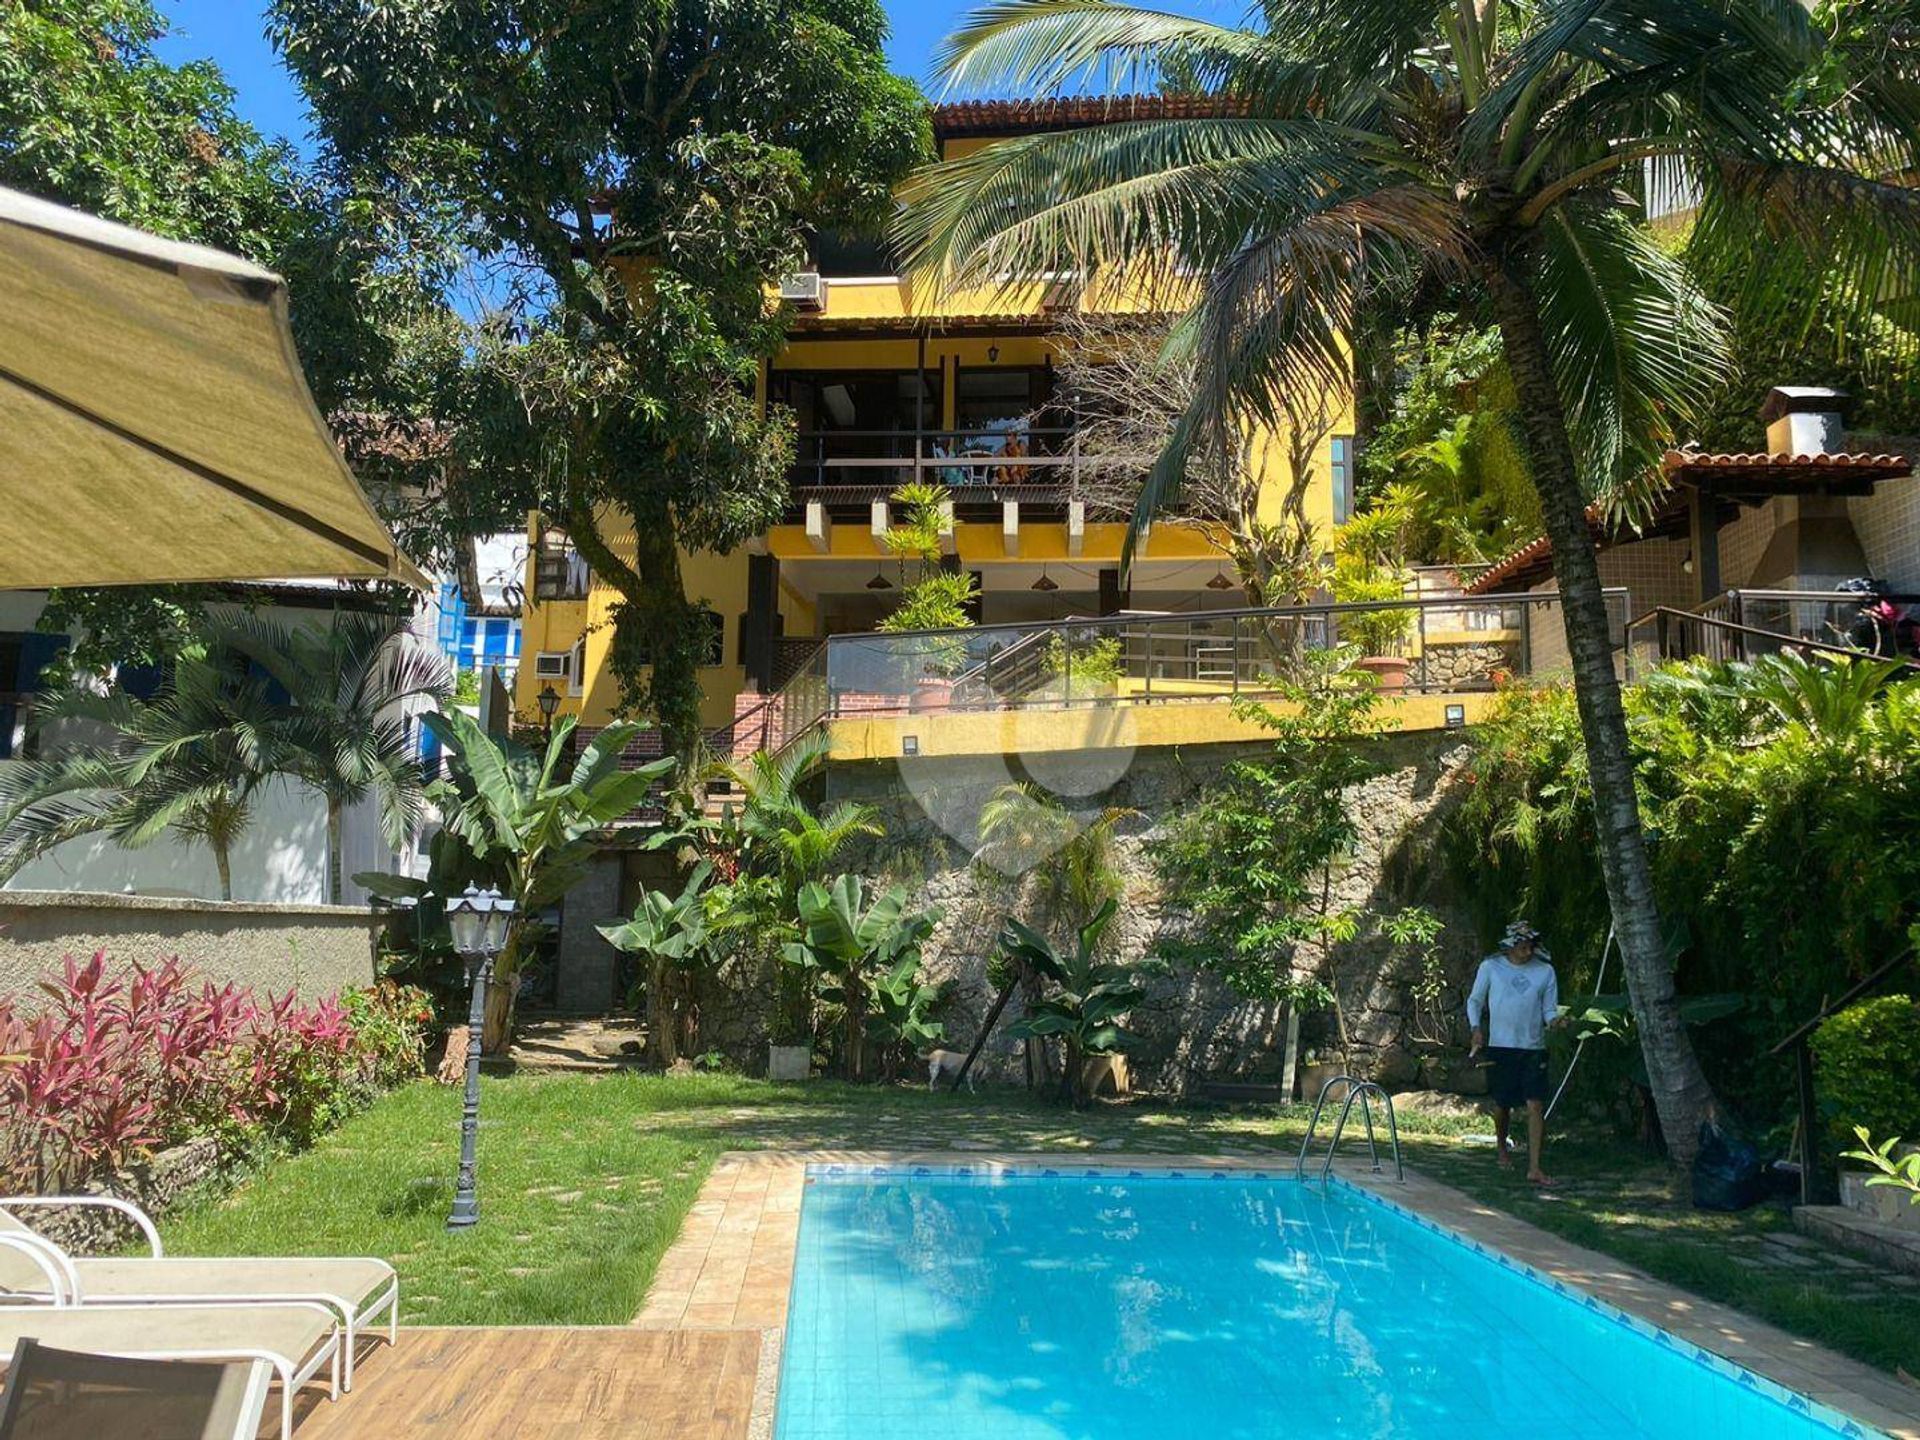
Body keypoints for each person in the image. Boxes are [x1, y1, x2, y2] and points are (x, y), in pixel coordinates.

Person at [1467, 920, 1562, 1186]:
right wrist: (1476, 1028)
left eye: (1530, 946)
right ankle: (1501, 1149)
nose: (1527, 951)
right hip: (1501, 1046)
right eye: (1521, 946)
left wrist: (1556, 1022)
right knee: (1501, 1105)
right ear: (1510, 946)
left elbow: (1549, 1011)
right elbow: (1475, 1000)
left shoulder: (1545, 972)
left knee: (1535, 1104)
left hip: (1533, 1047)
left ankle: (1534, 1167)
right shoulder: (1491, 967)